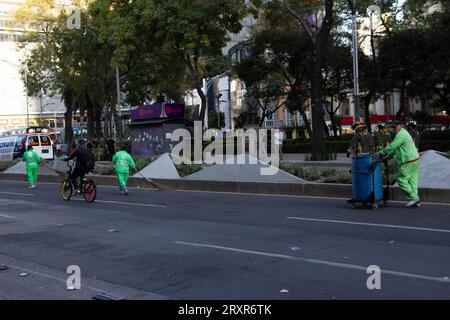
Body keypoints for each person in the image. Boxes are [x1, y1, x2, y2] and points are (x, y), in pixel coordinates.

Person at [377, 120, 421, 207]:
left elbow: (392, 146)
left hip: (407, 160)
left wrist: (380, 153)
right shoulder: (403, 133)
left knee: (401, 179)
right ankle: (416, 200)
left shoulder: (401, 134)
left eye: (394, 127)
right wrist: (387, 157)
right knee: (413, 181)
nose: (393, 129)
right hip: (415, 159)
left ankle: (414, 197)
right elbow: (396, 149)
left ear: (400, 126)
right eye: (392, 127)